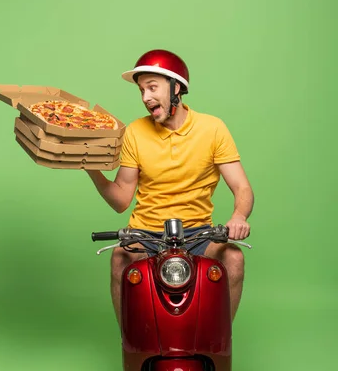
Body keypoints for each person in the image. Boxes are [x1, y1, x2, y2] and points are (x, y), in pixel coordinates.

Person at [86, 49, 254, 327]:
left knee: (234, 258)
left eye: (152, 88)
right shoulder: (135, 132)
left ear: (177, 88)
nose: (145, 98)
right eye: (141, 90)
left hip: (199, 234)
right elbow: (121, 200)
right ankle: (128, 338)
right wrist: (90, 167)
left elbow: (242, 187)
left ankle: (220, 337)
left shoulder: (213, 128)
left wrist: (239, 216)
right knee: (120, 257)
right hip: (147, 234)